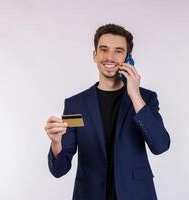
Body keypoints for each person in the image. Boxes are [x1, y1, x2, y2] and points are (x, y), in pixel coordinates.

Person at [44, 23, 170, 200]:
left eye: (118, 51)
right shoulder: (76, 104)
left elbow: (160, 146)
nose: (110, 57)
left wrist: (134, 94)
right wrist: (56, 142)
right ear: (95, 55)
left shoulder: (145, 99)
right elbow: (59, 170)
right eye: (104, 49)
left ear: (128, 58)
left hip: (136, 194)